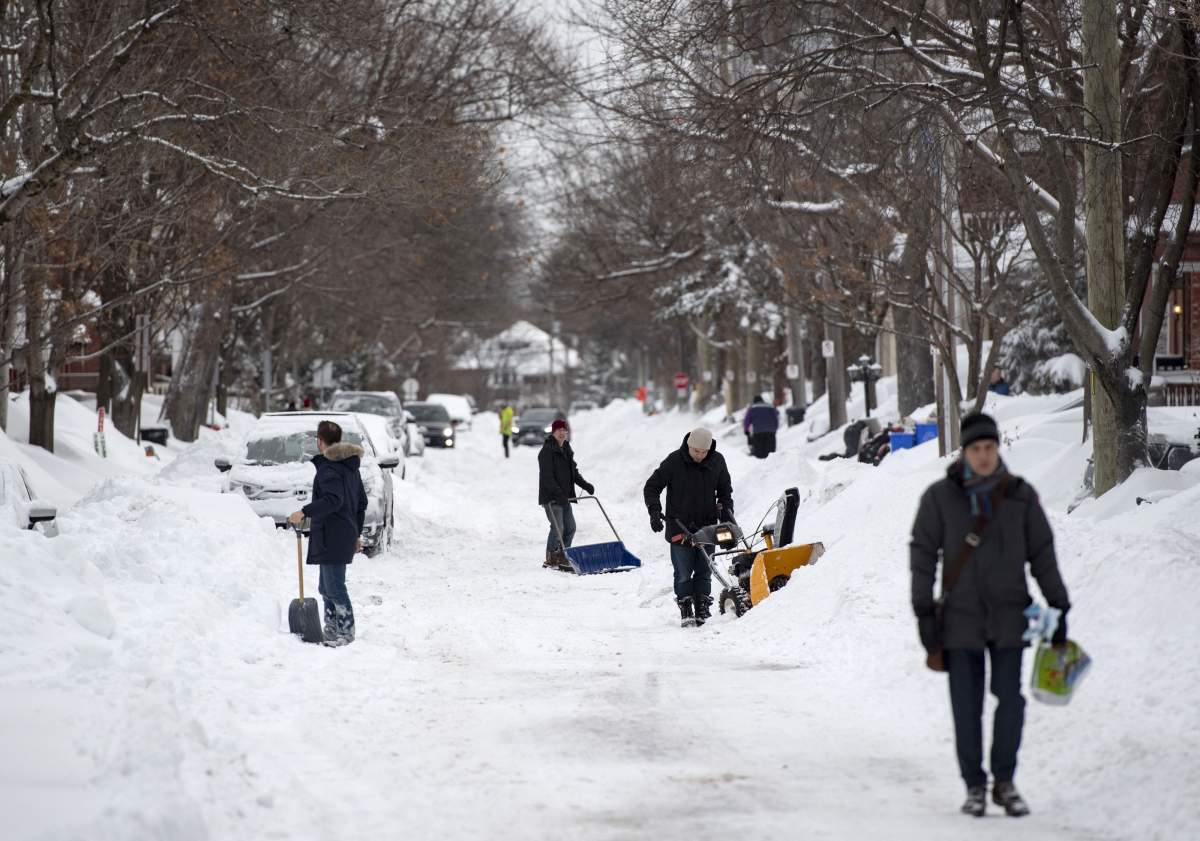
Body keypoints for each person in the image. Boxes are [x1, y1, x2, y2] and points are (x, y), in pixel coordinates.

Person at [910, 412, 1071, 818]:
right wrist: (923, 610)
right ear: (964, 452)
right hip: (960, 618)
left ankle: (1004, 781)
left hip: (1008, 616)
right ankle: (974, 786)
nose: (983, 456)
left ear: (998, 449)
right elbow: (922, 554)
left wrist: (1059, 604)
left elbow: (1042, 554)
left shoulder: (1019, 495)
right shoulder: (940, 497)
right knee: (966, 707)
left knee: (1010, 701)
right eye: (976, 449)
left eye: (989, 448)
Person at [643, 427, 733, 627]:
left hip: (707, 527)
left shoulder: (717, 461)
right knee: (683, 573)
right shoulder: (674, 461)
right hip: (679, 527)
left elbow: (725, 493)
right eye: (696, 451)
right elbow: (652, 487)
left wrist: (727, 524)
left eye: (704, 452)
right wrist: (654, 512)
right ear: (689, 446)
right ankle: (685, 607)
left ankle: (702, 606)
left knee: (705, 570)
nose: (700, 456)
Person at [288, 420, 367, 647]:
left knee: (334, 587)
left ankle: (346, 633)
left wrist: (304, 512)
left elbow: (333, 500)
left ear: (320, 442)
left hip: (332, 535)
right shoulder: (349, 467)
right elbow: (361, 503)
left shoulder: (329, 468)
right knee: (326, 587)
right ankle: (331, 629)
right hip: (341, 534)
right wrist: (356, 533)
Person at [538, 418, 594, 571]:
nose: (562, 433)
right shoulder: (546, 452)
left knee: (570, 527)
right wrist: (559, 494)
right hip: (551, 498)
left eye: (564, 430)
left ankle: (563, 555)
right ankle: (551, 558)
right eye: (559, 430)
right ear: (554, 432)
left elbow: (573, 473)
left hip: (565, 498)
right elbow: (547, 478)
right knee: (558, 528)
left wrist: (585, 485)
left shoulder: (567, 449)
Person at [742, 394, 780, 459]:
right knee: (771, 455)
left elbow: (746, 420)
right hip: (770, 432)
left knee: (759, 454)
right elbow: (776, 417)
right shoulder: (770, 406)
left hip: (758, 433)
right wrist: (775, 429)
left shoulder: (752, 407)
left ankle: (760, 467)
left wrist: (746, 430)